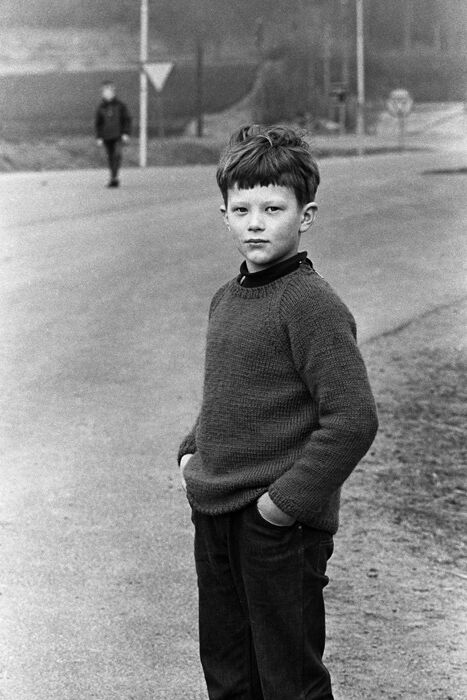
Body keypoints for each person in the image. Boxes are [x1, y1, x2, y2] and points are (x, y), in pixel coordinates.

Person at [177, 124, 378, 700]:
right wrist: (192, 452)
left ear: (305, 215)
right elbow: (231, 393)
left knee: (288, 680)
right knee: (228, 670)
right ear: (225, 216)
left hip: (277, 526)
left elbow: (352, 419)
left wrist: (281, 506)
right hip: (215, 512)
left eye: (272, 208)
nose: (256, 223)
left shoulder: (310, 303)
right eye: (242, 210)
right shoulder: (226, 298)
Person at [95, 80, 131, 188]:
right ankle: (113, 176)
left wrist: (125, 133)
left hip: (118, 135)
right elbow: (98, 123)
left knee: (117, 154)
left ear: (113, 92)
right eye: (105, 91)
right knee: (110, 157)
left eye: (109, 90)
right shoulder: (101, 107)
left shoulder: (120, 106)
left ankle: (114, 178)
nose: (107, 93)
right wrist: (99, 137)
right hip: (107, 136)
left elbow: (126, 120)